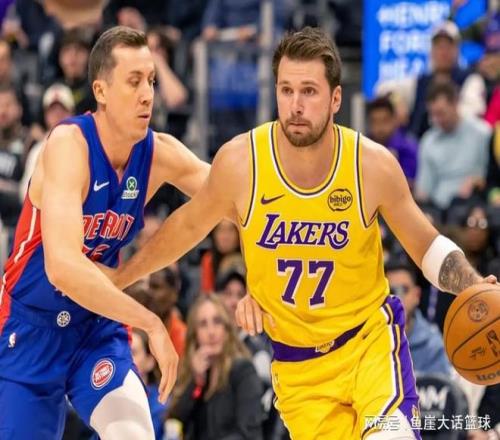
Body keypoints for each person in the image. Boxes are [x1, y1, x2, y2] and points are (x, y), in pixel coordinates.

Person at [103, 27, 497, 439]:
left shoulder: (371, 165)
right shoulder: (241, 162)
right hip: (299, 369)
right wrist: (118, 279)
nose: (295, 105)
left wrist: (472, 285)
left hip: (369, 346)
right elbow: (186, 226)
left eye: (309, 91)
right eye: (286, 90)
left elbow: (427, 246)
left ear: (336, 98)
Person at [0, 26, 210, 439]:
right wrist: (150, 322)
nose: (147, 94)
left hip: (94, 327)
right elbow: (63, 267)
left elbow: (231, 198)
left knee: (134, 433)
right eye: (134, 81)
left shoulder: (158, 153)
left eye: (151, 80)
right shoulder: (68, 146)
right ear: (101, 90)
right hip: (30, 328)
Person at [168, 294, 264, 440]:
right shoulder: (196, 375)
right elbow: (174, 421)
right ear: (195, 334)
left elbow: (248, 433)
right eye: (203, 324)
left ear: (227, 329)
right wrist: (195, 382)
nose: (211, 332)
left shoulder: (243, 371)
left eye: (217, 322)